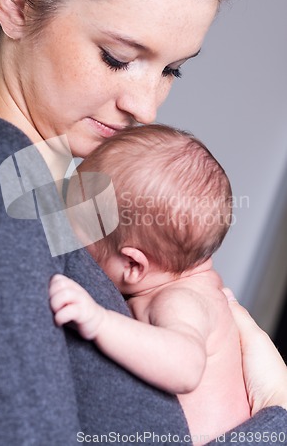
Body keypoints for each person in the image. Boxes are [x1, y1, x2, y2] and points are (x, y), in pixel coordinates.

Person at [0, 0, 287, 445]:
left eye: (172, 69)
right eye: (119, 58)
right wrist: (274, 417)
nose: (146, 107)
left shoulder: (50, 200)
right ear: (16, 2)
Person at [49, 124, 251, 444]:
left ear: (132, 265)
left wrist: (99, 321)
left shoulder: (181, 300)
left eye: (77, 236)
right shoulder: (174, 283)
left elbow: (185, 367)